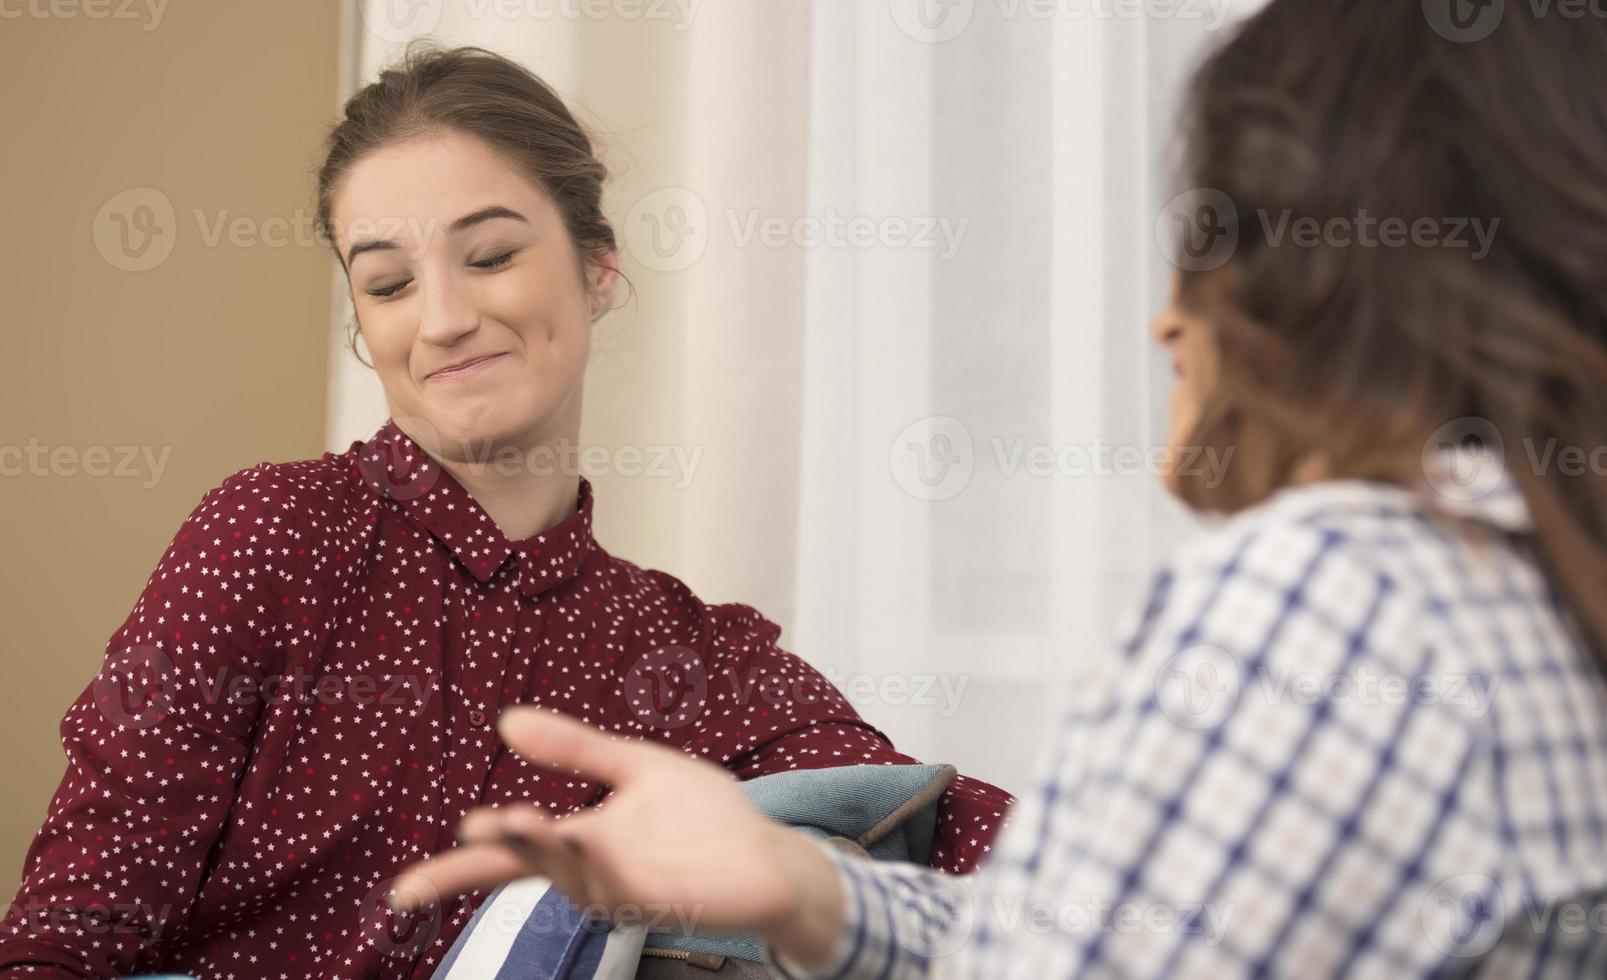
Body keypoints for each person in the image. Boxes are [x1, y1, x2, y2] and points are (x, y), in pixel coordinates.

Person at [391, 1, 1607, 976]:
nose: (1165, 317)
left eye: (1215, 232)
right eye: (383, 280)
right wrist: (810, 888)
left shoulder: (1328, 591)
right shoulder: (1541, 587)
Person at [0, 43, 1011, 979]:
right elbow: (63, 935)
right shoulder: (269, 533)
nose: (440, 318)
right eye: (389, 283)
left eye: (487, 257)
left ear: (597, 267)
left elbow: (1001, 859)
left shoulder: (696, 660)